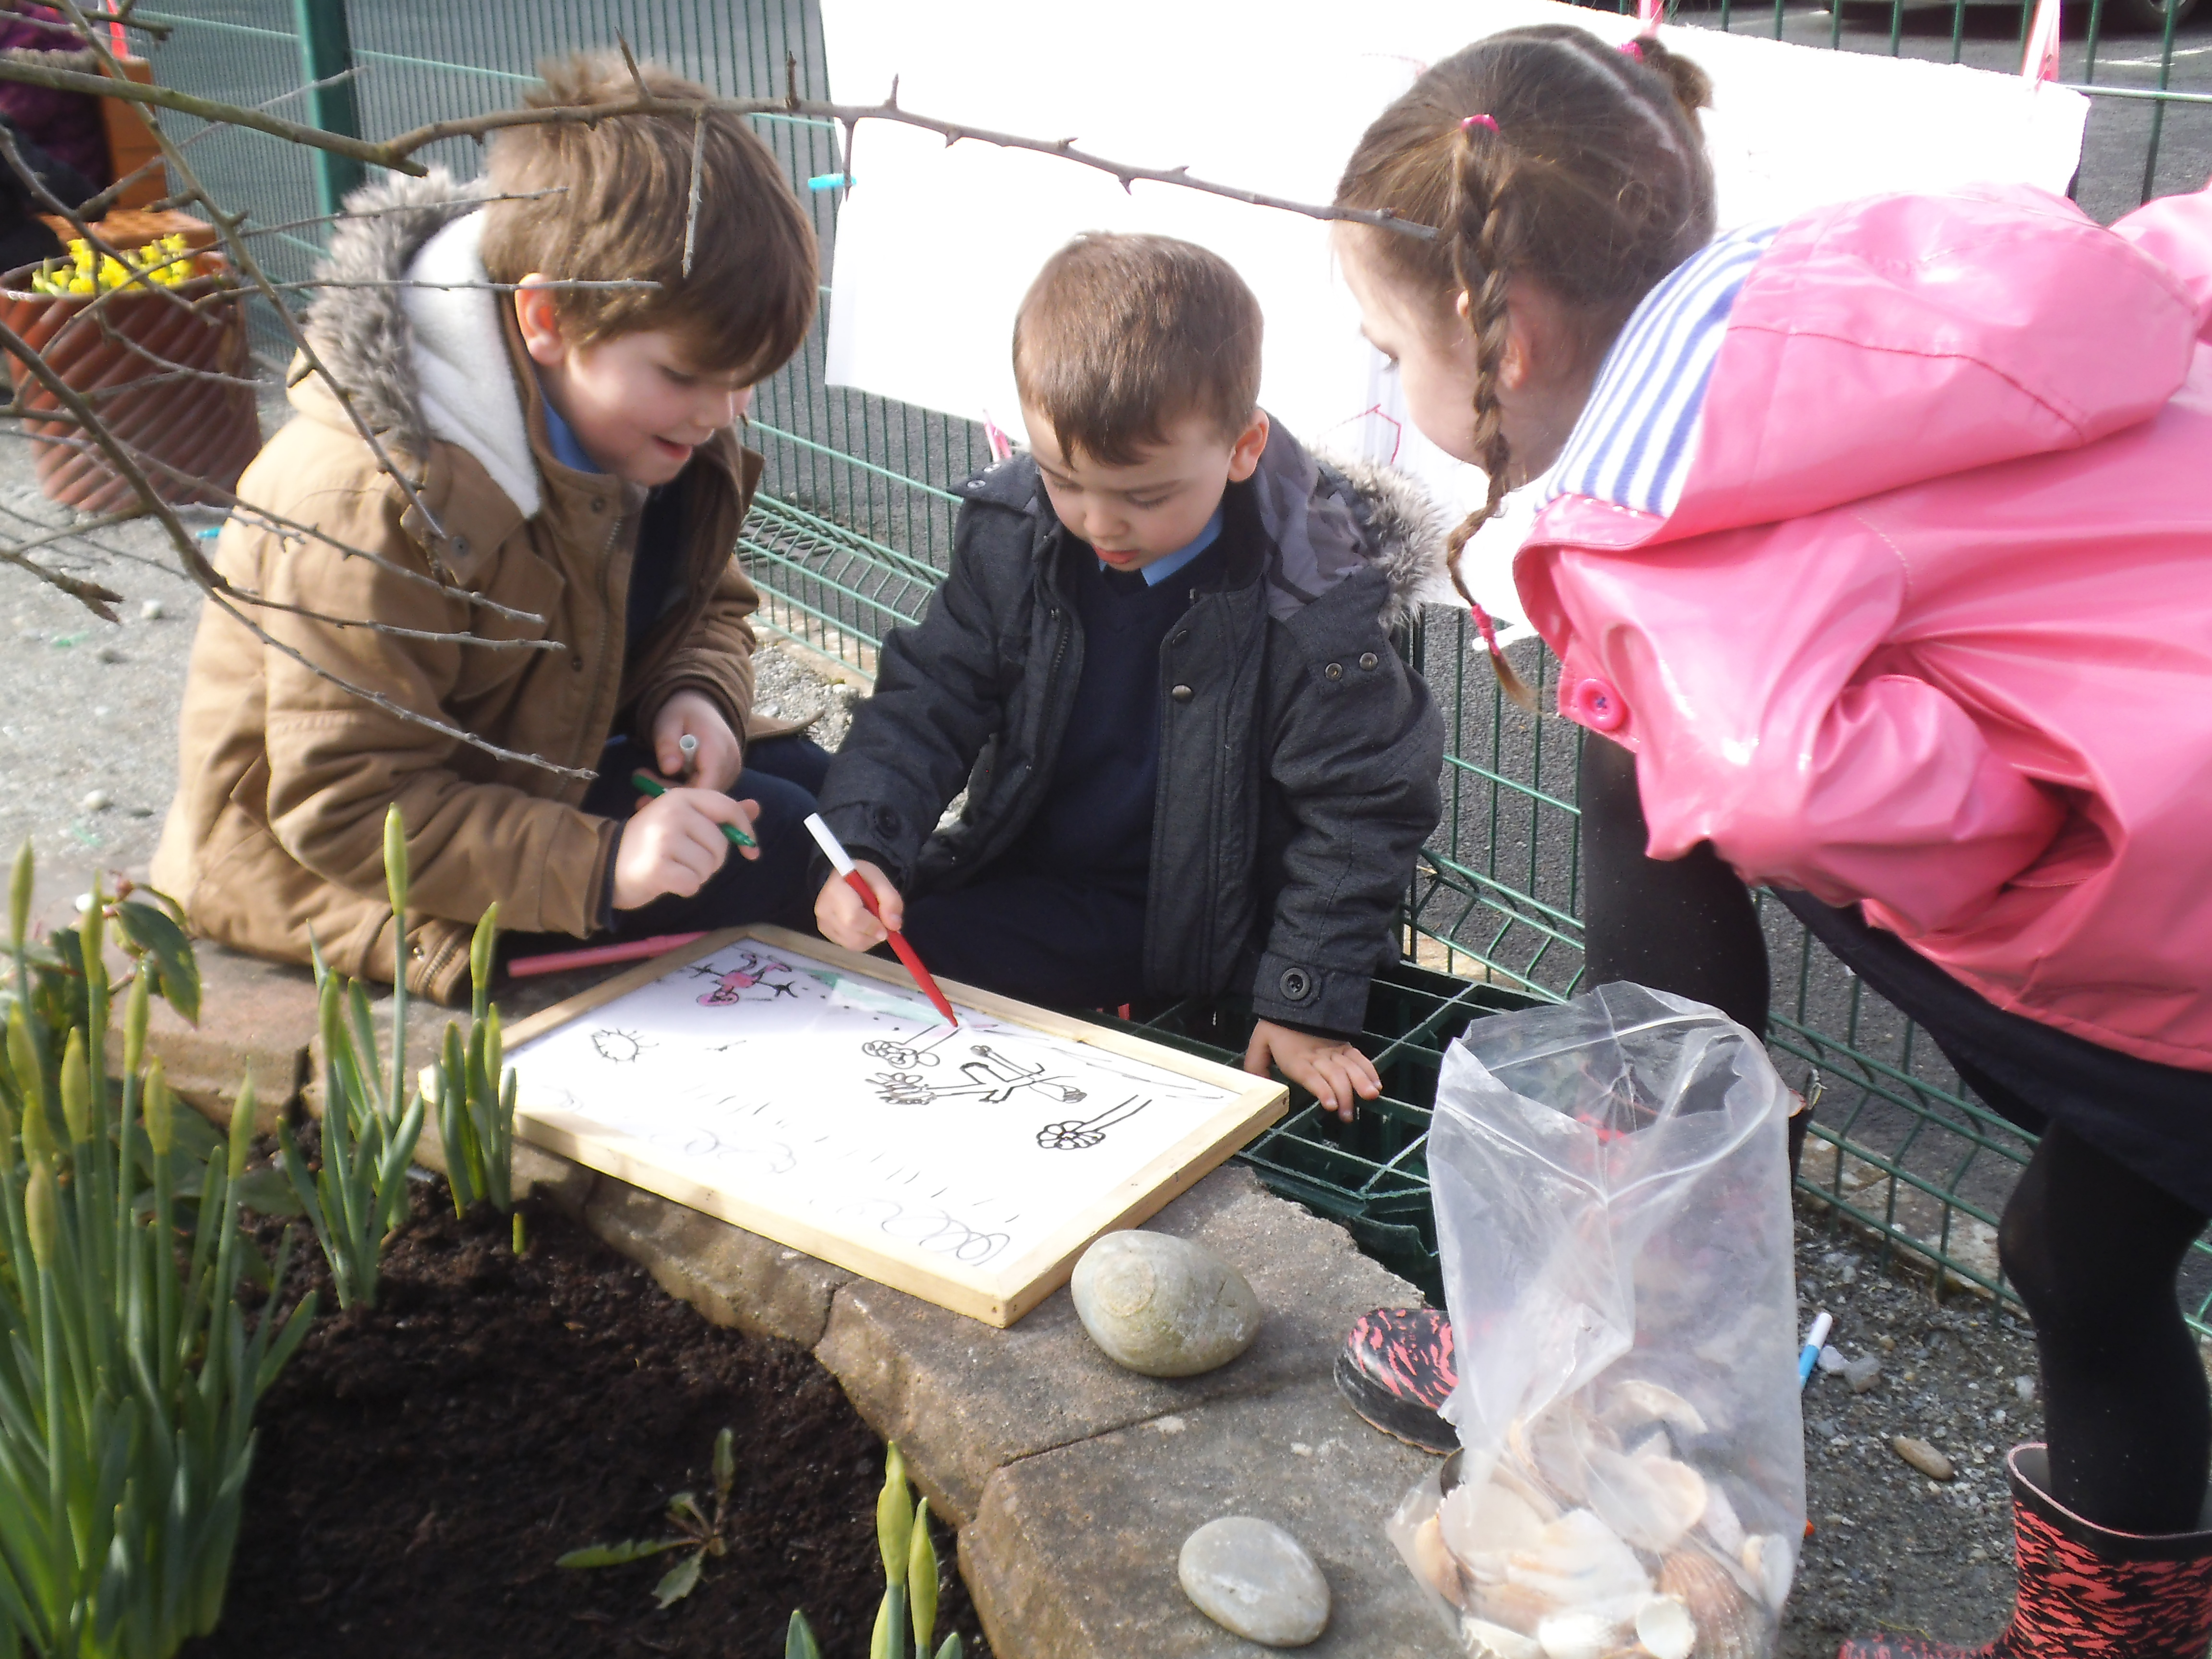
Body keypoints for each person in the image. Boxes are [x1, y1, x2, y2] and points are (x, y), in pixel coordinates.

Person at [1323, 23, 2212, 1657]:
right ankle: (1633, 1336)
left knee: (2074, 1261)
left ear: (1499, 337)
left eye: (1388, 350)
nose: (1384, 390)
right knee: (1627, 767)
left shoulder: (1671, 538)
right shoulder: (1829, 316)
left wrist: (1987, 846)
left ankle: (2092, 1637)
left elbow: (1793, 792)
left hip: (2167, 924)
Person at [153, 53, 826, 1002]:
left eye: (743, 378)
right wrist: (603, 865)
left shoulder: (635, 412)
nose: (721, 413)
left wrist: (695, 697)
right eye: (687, 377)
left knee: (819, 791)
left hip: (532, 771)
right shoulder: (368, 498)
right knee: (783, 853)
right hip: (361, 882)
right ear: (546, 316)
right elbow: (347, 806)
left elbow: (708, 602)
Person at [810, 232, 1445, 1114]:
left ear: (1243, 447)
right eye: (1064, 479)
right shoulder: (1017, 534)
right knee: (825, 900)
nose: (1099, 522)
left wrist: (1303, 997)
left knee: (882, 984)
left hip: (1192, 923)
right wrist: (869, 845)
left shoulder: (1313, 603)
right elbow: (932, 695)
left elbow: (1366, 805)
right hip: (1032, 860)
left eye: (1145, 497)